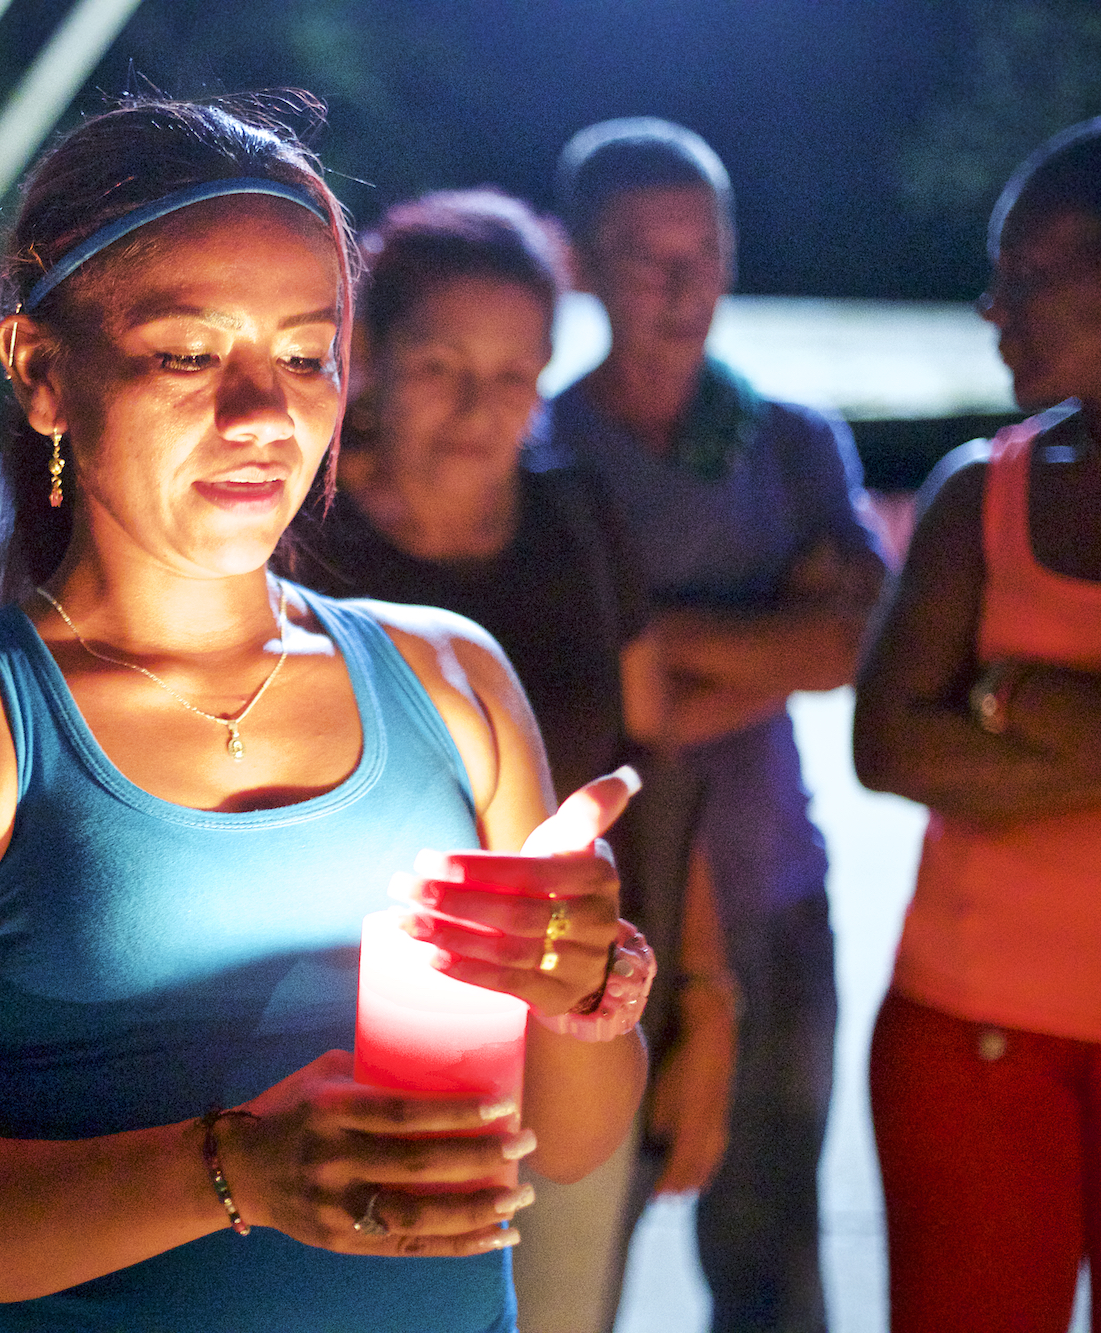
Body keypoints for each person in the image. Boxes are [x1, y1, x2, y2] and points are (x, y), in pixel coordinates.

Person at [0, 96, 653, 1333]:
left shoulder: (454, 681)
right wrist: (231, 1171)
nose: (260, 415)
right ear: (39, 372)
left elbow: (569, 1141)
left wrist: (577, 983)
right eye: (187, 355)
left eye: (303, 355)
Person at [304, 187, 738, 1333]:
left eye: (512, 374)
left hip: (572, 1030)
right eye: (441, 364)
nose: (476, 406)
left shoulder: (577, 524)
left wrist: (703, 1005)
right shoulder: (304, 544)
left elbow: (655, 773)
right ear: (369, 358)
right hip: (354, 1059)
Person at [853, 109, 1101, 1333]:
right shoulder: (976, 493)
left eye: (1022, 274)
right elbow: (888, 746)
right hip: (967, 1038)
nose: (989, 306)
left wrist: (1015, 695)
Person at [536, 118, 889, 1333]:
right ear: (579, 263)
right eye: (645, 253)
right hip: (593, 919)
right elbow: (559, 693)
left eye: (705, 248)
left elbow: (854, 644)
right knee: (568, 1258)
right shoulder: (543, 452)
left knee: (770, 1260)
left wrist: (657, 656)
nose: (684, 283)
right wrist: (760, 643)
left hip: (769, 894)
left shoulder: (788, 441)